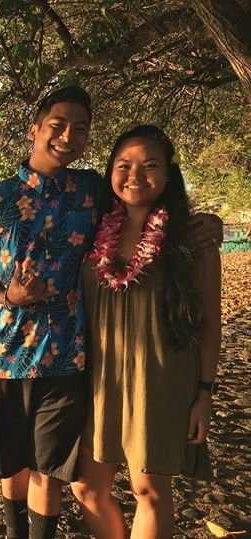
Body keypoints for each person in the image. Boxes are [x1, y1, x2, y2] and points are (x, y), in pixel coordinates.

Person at [0, 87, 222, 539]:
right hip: (53, 364)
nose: (68, 136)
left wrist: (204, 392)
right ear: (34, 129)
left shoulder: (101, 199)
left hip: (110, 370)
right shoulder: (10, 204)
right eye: (57, 125)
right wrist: (8, 296)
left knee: (115, 483)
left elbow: (208, 320)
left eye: (80, 129)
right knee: (52, 475)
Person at [70, 125, 221, 539]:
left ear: (169, 174)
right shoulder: (89, 229)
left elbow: (210, 325)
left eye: (149, 165)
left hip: (160, 381)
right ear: (110, 172)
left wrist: (205, 394)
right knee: (87, 488)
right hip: (97, 380)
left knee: (149, 491)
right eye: (124, 165)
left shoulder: (193, 239)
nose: (135, 175)